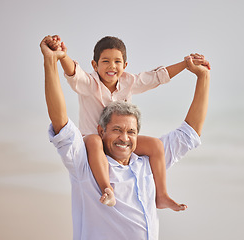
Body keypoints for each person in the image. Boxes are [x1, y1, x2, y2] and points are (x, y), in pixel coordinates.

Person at [41, 35, 210, 239]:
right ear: (95, 65)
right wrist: (55, 59)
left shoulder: (146, 165)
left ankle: (162, 195)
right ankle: (107, 189)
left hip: (116, 149)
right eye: (117, 130)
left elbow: (188, 131)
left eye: (131, 131)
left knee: (156, 144)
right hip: (92, 143)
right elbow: (62, 114)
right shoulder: (84, 165)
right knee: (93, 141)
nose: (124, 137)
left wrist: (199, 74)